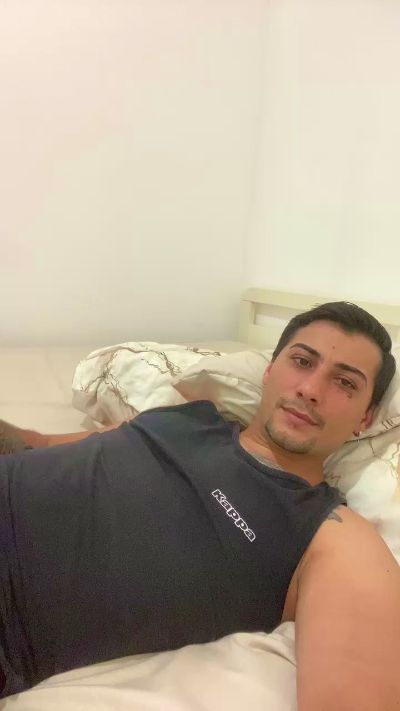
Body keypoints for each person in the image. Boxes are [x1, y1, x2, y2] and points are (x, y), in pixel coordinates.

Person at [1, 301, 400, 710]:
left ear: (365, 418)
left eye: (345, 383)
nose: (310, 389)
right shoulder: (184, 418)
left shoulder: (333, 535)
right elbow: (39, 444)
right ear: (269, 371)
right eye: (302, 361)